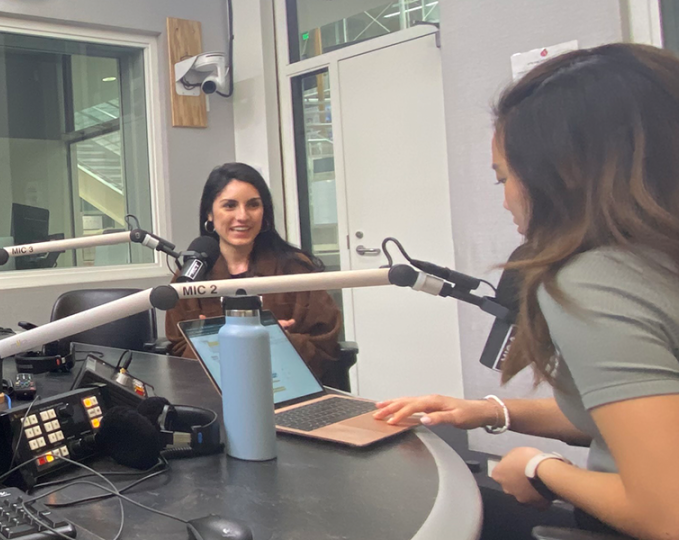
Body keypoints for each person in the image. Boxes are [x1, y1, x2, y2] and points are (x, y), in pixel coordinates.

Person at [374, 43, 679, 540]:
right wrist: (494, 411)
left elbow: (668, 513)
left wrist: (541, 469)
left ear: (564, 172)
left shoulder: (596, 280)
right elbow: (644, 415)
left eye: (504, 177)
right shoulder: (658, 261)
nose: (505, 201)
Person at [165, 162, 343, 385]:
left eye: (253, 205)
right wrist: (210, 341)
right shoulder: (190, 275)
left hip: (286, 389)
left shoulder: (296, 270)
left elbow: (326, 347)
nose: (242, 216)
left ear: (264, 212)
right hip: (212, 393)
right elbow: (178, 352)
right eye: (229, 206)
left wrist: (277, 340)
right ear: (209, 214)